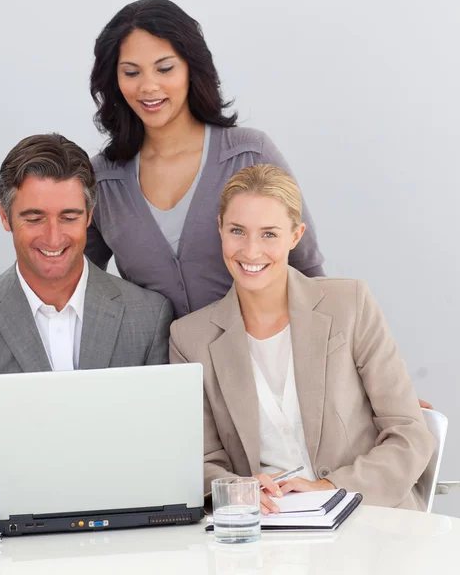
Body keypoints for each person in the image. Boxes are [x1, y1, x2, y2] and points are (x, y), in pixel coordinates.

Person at [169, 164, 434, 511]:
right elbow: (201, 462)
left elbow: (409, 434)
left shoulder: (349, 305)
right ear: (220, 229)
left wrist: (330, 488)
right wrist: (239, 488)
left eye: (269, 234)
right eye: (237, 231)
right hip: (268, 534)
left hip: (369, 517)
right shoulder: (190, 338)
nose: (250, 251)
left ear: (295, 236)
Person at [0, 134, 172, 511]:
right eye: (34, 218)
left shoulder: (148, 315)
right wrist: (46, 493)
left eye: (69, 216)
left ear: (90, 216)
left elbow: (166, 447)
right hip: (15, 543)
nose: (53, 236)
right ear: (4, 216)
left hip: (126, 531)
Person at [86, 0, 324, 319]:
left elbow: (307, 270)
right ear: (114, 79)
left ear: (191, 69)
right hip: (157, 368)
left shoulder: (249, 154)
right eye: (131, 72)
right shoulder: (102, 180)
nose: (148, 86)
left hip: (257, 362)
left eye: (165, 68)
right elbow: (76, 283)